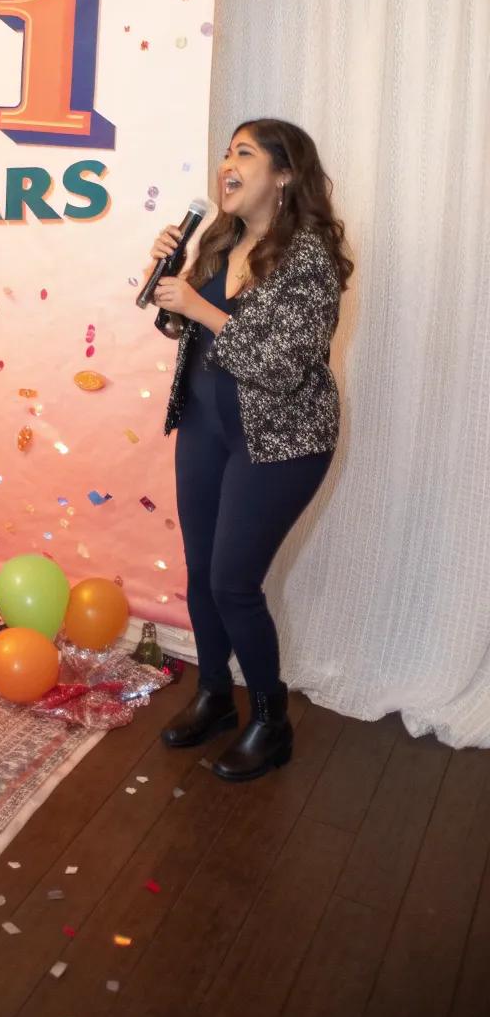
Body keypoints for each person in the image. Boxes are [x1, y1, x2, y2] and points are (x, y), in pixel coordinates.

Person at [149, 119, 352, 783]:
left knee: (234, 583)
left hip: (281, 442)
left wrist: (203, 312)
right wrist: (172, 286)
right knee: (201, 571)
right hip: (207, 427)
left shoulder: (310, 258)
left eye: (244, 153)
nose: (226, 165)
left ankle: (271, 721)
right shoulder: (220, 238)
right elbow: (180, 324)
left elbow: (282, 366)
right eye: (226, 153)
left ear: (284, 175)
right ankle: (215, 696)